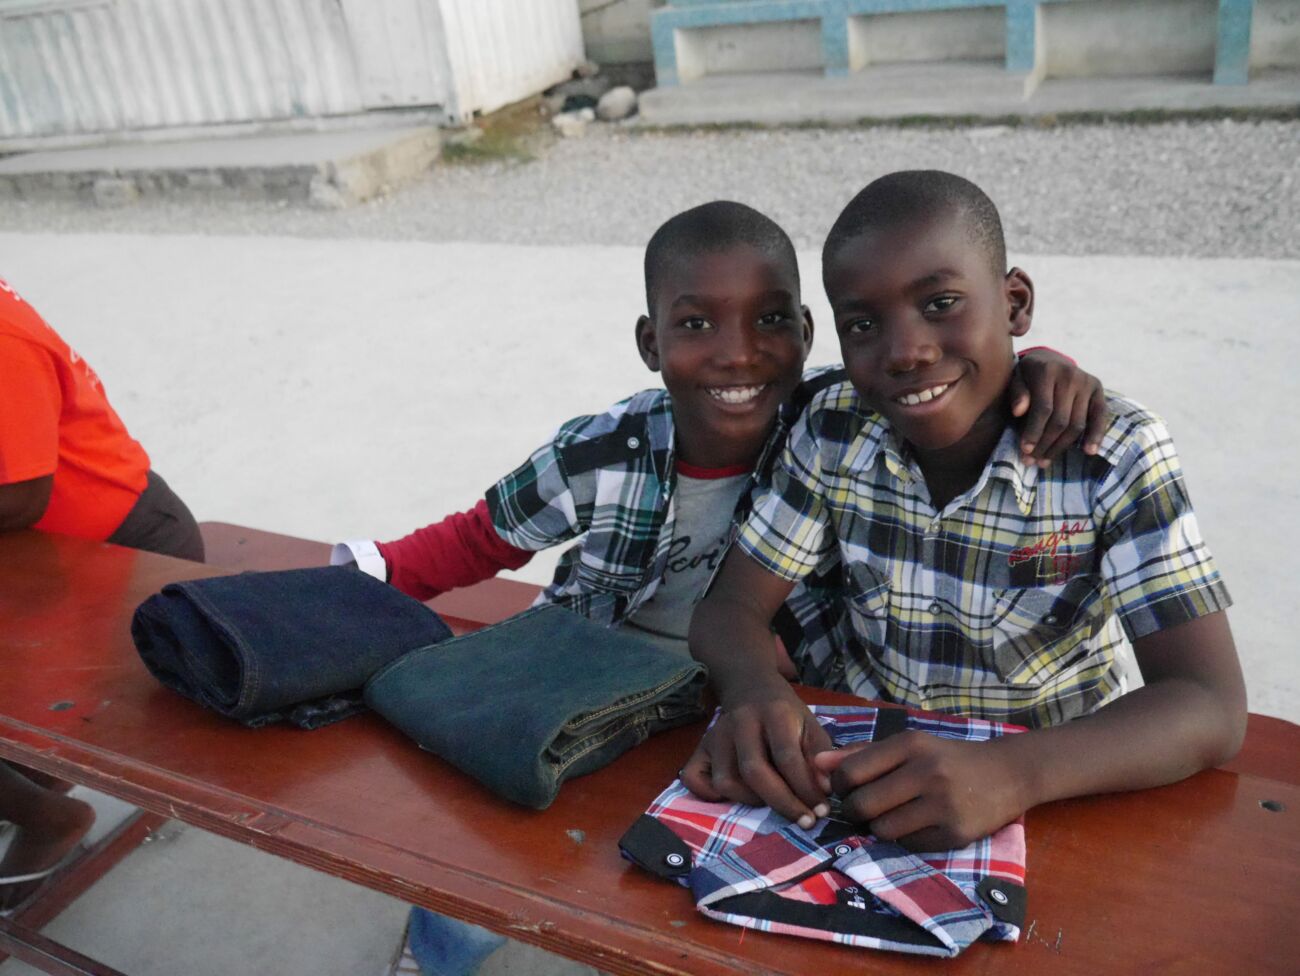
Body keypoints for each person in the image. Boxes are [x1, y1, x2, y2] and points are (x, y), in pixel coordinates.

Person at [335, 200, 1111, 975]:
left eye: (769, 321)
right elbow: (477, 539)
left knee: (685, 892)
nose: (738, 356)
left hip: (749, 697)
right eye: (697, 325)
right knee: (495, 838)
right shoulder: (602, 453)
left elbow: (944, 368)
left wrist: (1038, 365)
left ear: (807, 335)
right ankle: (436, 952)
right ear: (652, 342)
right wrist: (363, 576)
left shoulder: (838, 422)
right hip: (588, 674)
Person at [683, 171, 1246, 853]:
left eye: (942, 303)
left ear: (1015, 303)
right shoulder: (837, 429)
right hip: (858, 765)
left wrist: (1013, 774)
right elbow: (730, 607)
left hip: (1062, 783)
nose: (907, 351)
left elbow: (1208, 703)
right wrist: (753, 691)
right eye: (862, 325)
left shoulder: (1109, 454)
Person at [0, 275, 204, 912]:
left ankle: (45, 815)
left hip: (123, 554)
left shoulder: (3, 339)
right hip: (49, 556)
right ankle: (38, 777)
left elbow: (19, 495)